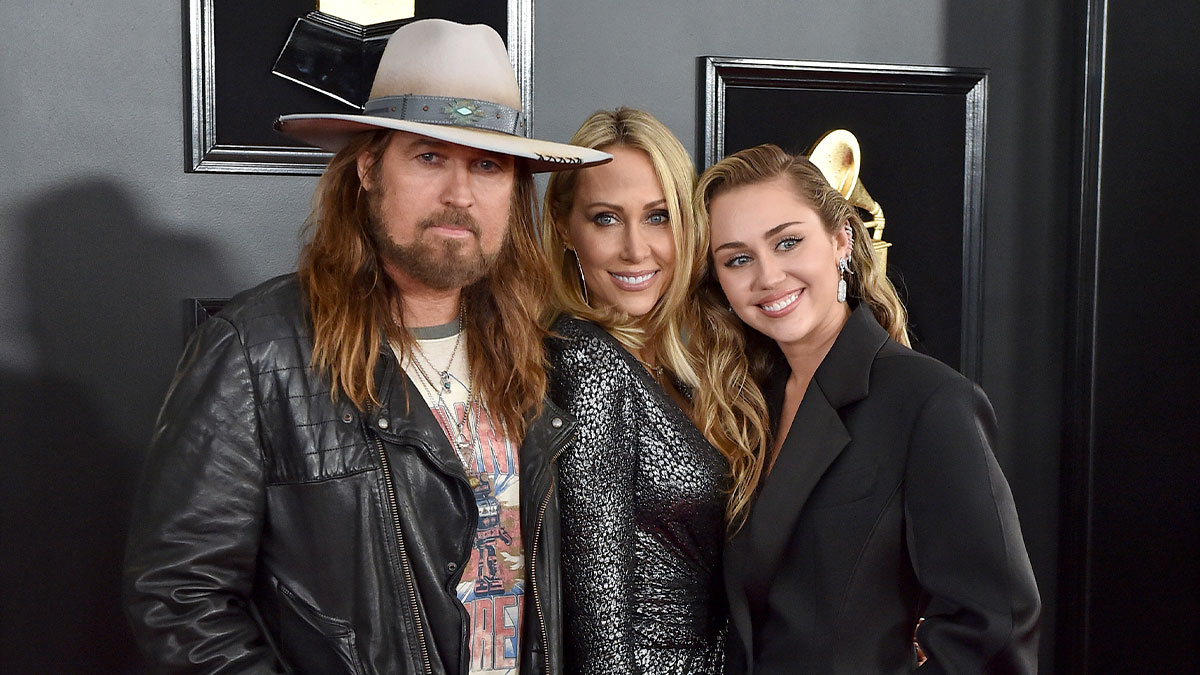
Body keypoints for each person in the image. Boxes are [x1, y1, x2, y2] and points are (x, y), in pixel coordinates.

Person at [122, 19, 610, 674]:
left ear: (514, 193)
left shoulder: (547, 354)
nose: (460, 194)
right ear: (369, 168)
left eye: (488, 165)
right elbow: (179, 595)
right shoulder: (256, 349)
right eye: (429, 157)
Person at [696, 144, 1041, 673]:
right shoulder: (745, 403)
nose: (766, 276)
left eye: (788, 242)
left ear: (841, 240)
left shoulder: (930, 401)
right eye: (738, 258)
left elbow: (994, 625)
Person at [538, 108, 767, 674]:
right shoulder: (588, 366)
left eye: (658, 216)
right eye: (606, 219)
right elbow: (599, 624)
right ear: (566, 227)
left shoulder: (673, 363)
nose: (637, 250)